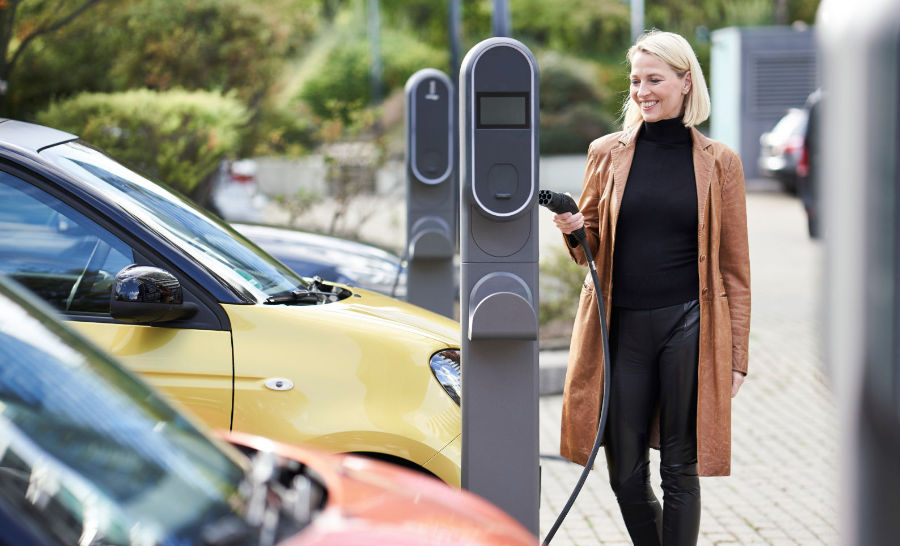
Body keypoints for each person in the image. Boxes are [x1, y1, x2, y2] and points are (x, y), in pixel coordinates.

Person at [551, 30, 751, 545]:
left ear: (686, 83)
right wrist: (577, 230)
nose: (642, 90)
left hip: (689, 324)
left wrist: (736, 356)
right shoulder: (607, 153)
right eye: (636, 80)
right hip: (620, 330)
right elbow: (589, 251)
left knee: (679, 470)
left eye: (655, 79)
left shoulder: (720, 163)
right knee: (624, 472)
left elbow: (735, 270)